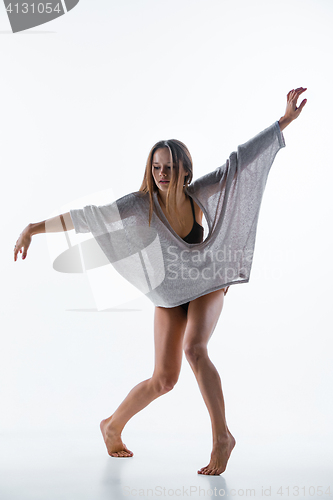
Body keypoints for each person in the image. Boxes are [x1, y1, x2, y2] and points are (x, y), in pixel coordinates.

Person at [14, 87, 307, 475]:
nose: (163, 173)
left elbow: (240, 162)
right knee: (164, 379)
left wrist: (282, 122)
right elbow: (89, 216)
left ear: (185, 168)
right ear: (150, 170)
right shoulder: (139, 206)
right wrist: (33, 228)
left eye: (170, 166)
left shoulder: (200, 190)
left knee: (196, 349)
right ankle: (112, 425)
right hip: (169, 295)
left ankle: (222, 437)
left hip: (205, 283)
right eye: (157, 167)